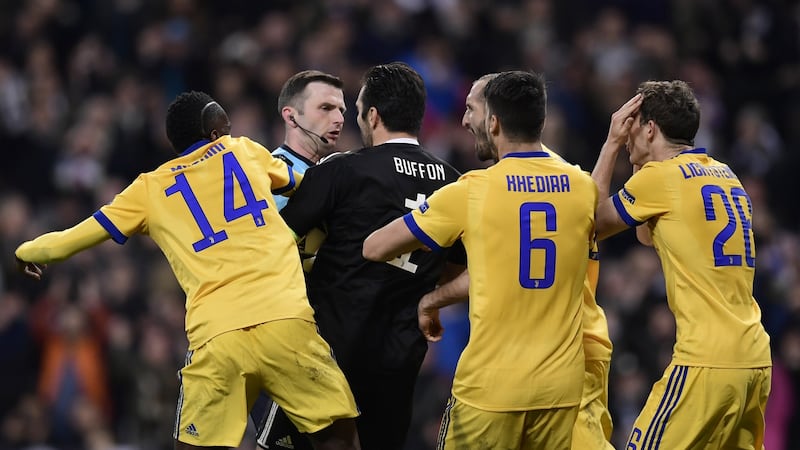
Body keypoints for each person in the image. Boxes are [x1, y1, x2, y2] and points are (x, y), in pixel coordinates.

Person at [14, 91, 361, 450]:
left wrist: (31, 250)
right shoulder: (244, 150)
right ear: (213, 133)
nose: (228, 134)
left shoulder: (150, 188)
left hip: (217, 335)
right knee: (338, 438)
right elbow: (310, 189)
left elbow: (82, 233)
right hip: (286, 323)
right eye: (223, 128)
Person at [364, 70, 597, 449]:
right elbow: (503, 271)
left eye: (470, 110)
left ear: (494, 122)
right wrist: (434, 300)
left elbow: (374, 247)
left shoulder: (473, 191)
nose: (464, 120)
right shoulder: (581, 187)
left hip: (491, 388)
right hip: (560, 389)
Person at [279, 62, 464, 450]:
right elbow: (456, 269)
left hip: (331, 354)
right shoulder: (453, 183)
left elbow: (277, 238)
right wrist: (428, 299)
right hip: (400, 357)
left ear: (373, 115)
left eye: (357, 109)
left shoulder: (343, 170)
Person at [592, 80, 772, 449]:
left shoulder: (662, 179)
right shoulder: (727, 175)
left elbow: (589, 223)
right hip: (754, 359)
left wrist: (611, 144)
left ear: (650, 129)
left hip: (706, 361)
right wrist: (641, 161)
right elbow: (647, 235)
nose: (627, 136)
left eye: (633, 127)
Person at [250, 69, 346, 450]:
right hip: (277, 337)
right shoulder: (263, 178)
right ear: (291, 116)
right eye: (325, 107)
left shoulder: (339, 176)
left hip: (323, 337)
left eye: (342, 109)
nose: (338, 118)